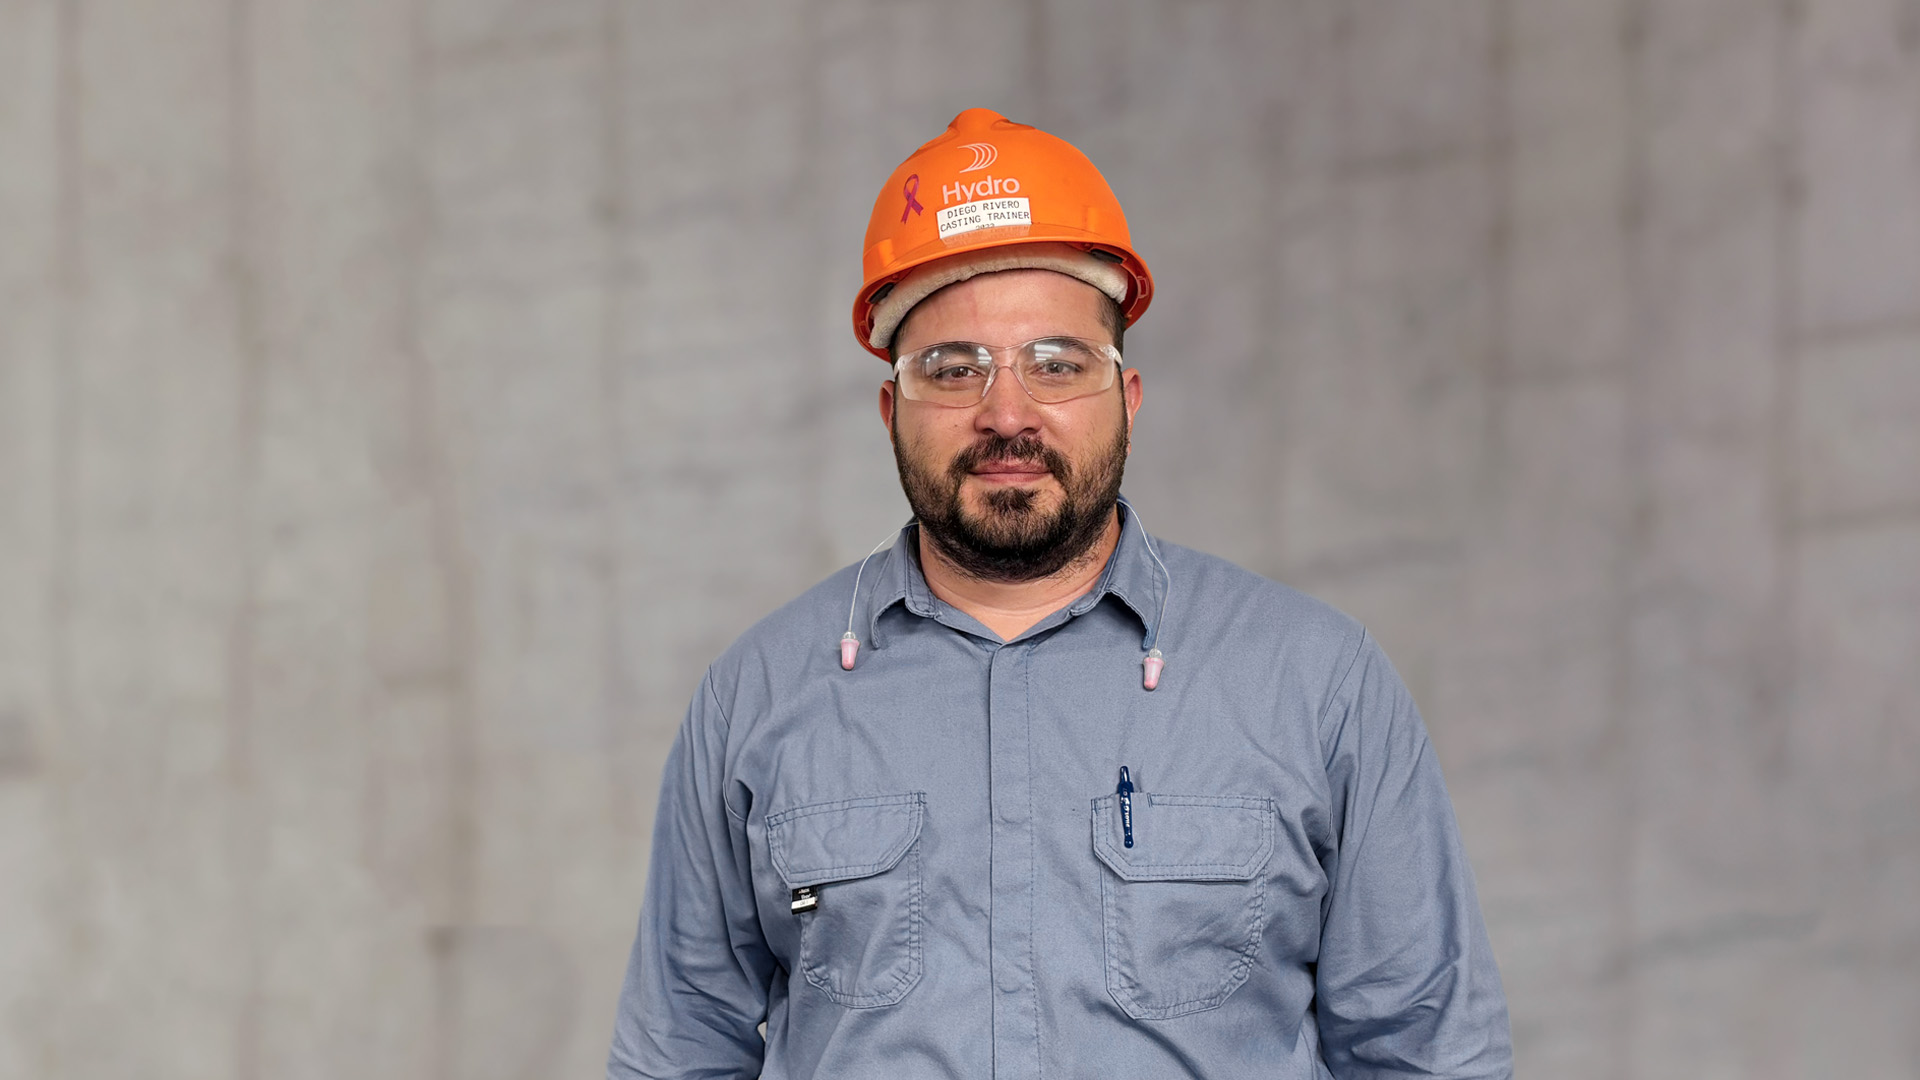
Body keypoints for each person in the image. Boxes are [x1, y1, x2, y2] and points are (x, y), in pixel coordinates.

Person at [606, 107, 1512, 1080]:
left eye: (1057, 364)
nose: (1007, 413)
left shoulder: (1317, 683)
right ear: (891, 410)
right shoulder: (755, 699)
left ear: (1127, 399)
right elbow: (677, 1056)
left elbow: (1429, 1055)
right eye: (953, 369)